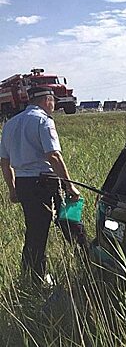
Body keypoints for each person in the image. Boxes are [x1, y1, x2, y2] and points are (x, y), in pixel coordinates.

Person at [0, 86, 81, 281]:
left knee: (35, 230)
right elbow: (53, 155)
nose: (54, 105)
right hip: (45, 182)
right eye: (53, 100)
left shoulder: (10, 124)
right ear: (46, 100)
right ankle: (87, 263)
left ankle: (31, 275)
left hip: (23, 183)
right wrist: (69, 185)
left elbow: (4, 161)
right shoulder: (43, 121)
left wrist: (12, 189)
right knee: (70, 224)